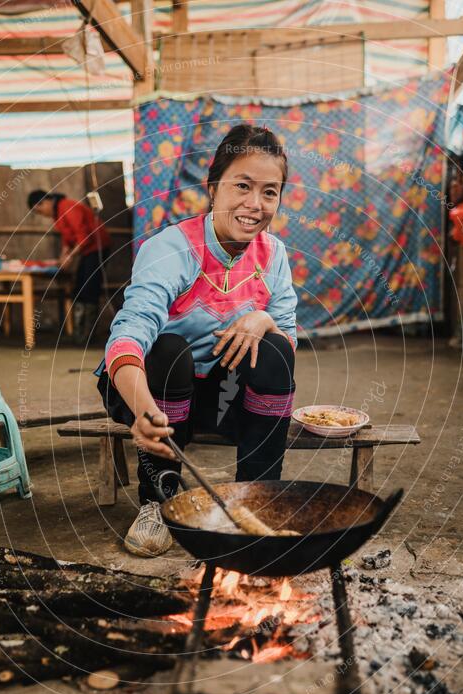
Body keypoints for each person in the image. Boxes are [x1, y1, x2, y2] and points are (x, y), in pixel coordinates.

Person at [96, 124, 297, 557]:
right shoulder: (172, 248)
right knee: (168, 350)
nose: (254, 204)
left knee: (276, 350)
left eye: (269, 192)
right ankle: (159, 501)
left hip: (219, 398)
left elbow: (289, 335)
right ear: (212, 188)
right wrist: (144, 409)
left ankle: (257, 501)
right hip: (148, 393)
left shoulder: (273, 253)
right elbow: (129, 334)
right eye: (242, 186)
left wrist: (263, 319)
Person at [27, 190, 111, 344]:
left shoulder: (67, 206)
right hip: (86, 251)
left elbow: (84, 236)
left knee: (89, 288)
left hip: (97, 247)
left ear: (45, 202)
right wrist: (63, 255)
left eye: (39, 210)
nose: (41, 214)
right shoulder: (57, 214)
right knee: (78, 289)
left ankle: (88, 336)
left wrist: (70, 257)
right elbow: (68, 239)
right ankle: (80, 334)